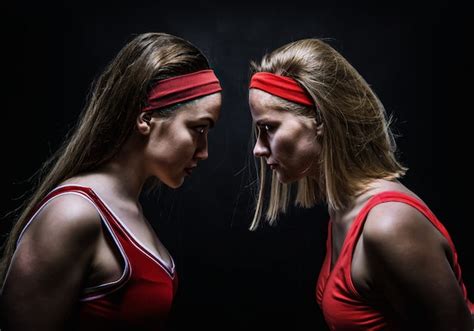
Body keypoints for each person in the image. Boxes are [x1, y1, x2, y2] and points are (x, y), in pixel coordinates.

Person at [0, 32, 222, 330]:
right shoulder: (72, 213)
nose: (204, 151)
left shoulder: (128, 211)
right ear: (145, 119)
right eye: (198, 128)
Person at [247, 38, 473, 330]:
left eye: (269, 129)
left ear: (321, 120)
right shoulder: (343, 209)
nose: (258, 148)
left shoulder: (388, 225)